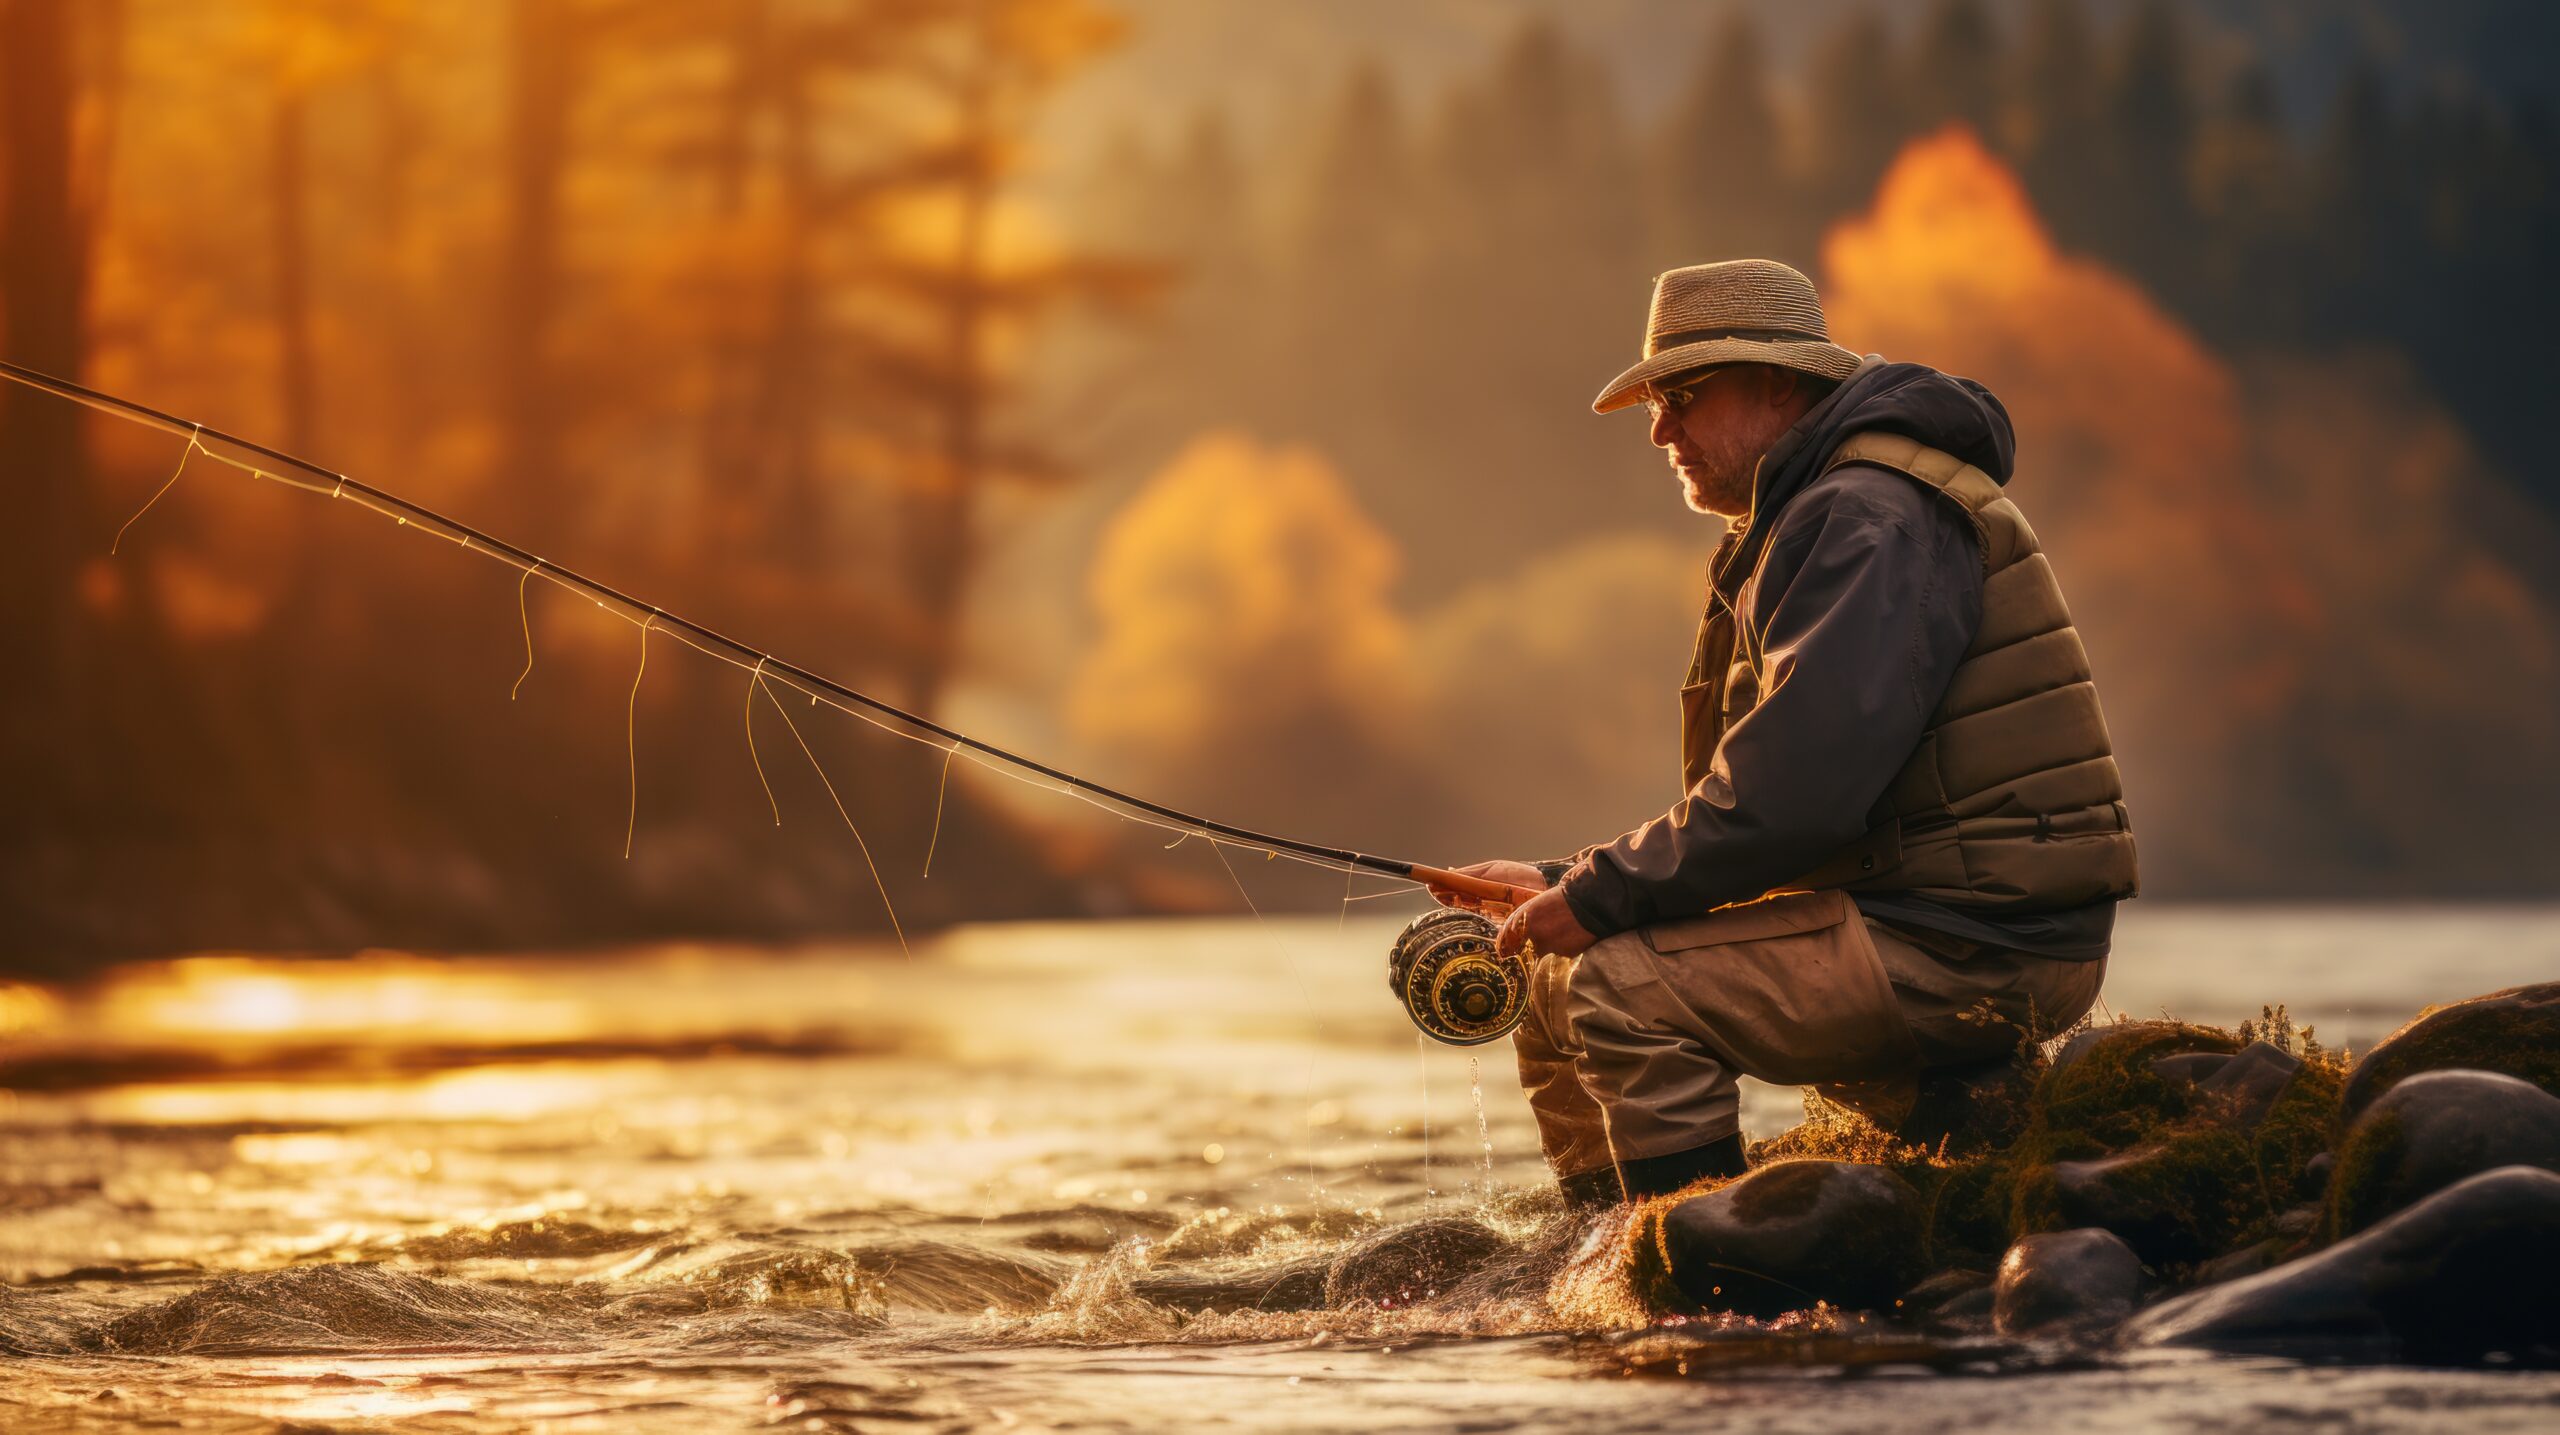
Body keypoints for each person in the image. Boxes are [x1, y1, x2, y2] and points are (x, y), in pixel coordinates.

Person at [1428, 259, 2137, 1207]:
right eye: (1653, 402)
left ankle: (1689, 1266)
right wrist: (1565, 888)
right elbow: (1766, 799)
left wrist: (1597, 894)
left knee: (1619, 992)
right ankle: (1591, 1251)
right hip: (1919, 914)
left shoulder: (1866, 515)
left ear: (1777, 380)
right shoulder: (1820, 510)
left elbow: (1794, 798)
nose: (1659, 429)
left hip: (1979, 941)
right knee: (1546, 971)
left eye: (1681, 396)